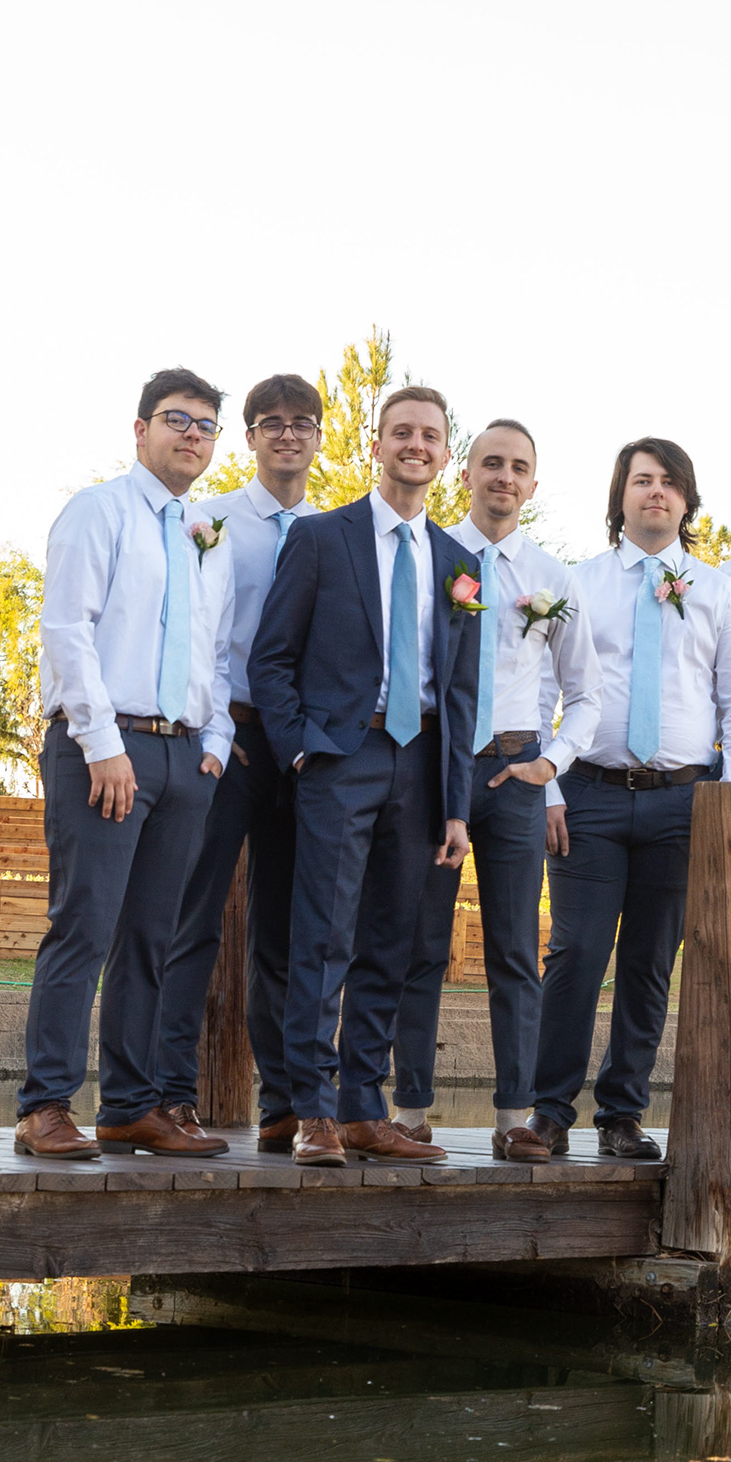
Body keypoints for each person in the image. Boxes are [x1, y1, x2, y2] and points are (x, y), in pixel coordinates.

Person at [247, 386, 479, 1165]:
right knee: (322, 938)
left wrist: (455, 806)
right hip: (342, 760)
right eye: (401, 432)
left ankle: (361, 1110)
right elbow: (271, 660)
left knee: (391, 942)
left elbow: (461, 692)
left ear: (445, 454)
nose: (416, 445)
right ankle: (311, 1109)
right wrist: (302, 750)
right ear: (375, 445)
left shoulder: (460, 564)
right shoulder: (321, 538)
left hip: (421, 765)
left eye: (431, 435)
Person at [16, 366, 236, 1161]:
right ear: (141, 429)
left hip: (184, 758)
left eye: (206, 425)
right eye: (177, 419)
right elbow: (67, 629)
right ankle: (45, 1105)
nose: (192, 435)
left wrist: (215, 746)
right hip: (103, 748)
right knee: (85, 926)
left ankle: (130, 1108)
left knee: (153, 939)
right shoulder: (98, 511)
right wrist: (103, 743)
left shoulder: (208, 534)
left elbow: (218, 651)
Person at [529, 438, 731, 1159]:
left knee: (650, 961)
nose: (655, 491)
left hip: (682, 805)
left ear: (687, 500)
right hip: (587, 796)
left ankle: (621, 1115)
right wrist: (548, 786)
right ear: (620, 496)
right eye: (641, 480)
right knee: (576, 953)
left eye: (669, 482)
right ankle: (548, 1112)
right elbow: (542, 689)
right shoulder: (578, 584)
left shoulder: (718, 592)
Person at [390, 421, 600, 1163]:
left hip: (514, 772)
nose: (504, 477)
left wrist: (553, 765)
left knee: (514, 948)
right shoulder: (427, 555)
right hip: (434, 768)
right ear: (467, 474)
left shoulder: (553, 577)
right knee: (421, 944)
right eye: (491, 463)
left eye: (518, 467)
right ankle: (410, 1111)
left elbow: (586, 694)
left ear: (533, 484)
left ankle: (517, 1115)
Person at [153, 372, 323, 1151]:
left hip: (301, 753)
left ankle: (284, 1101)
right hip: (224, 740)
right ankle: (169, 1093)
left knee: (283, 931)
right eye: (271, 422)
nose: (287, 434)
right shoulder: (207, 521)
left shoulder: (333, 534)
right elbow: (191, 633)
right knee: (192, 920)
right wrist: (211, 731)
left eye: (302, 422)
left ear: (318, 438)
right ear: (250, 437)